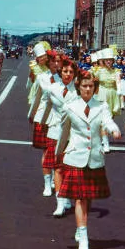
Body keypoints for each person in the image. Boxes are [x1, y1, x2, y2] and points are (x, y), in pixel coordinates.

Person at [55, 69, 121, 249]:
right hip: (75, 156)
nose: (87, 89)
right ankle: (83, 235)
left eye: (91, 86)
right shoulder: (69, 107)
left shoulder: (101, 106)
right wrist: (58, 152)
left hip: (94, 157)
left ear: (95, 88)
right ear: (78, 87)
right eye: (84, 86)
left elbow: (107, 122)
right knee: (80, 198)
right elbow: (63, 132)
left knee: (88, 197)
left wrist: (114, 130)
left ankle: (80, 226)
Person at [40, 57, 79, 217]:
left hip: (73, 134)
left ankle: (67, 196)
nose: (68, 74)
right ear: (60, 71)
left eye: (71, 72)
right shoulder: (52, 88)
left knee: (69, 168)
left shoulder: (78, 90)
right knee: (57, 167)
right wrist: (41, 122)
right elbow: (45, 104)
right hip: (55, 131)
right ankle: (60, 202)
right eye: (65, 71)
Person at [28, 49, 62, 197]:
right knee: (46, 151)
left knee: (58, 151)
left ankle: (56, 178)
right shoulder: (42, 77)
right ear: (48, 63)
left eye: (58, 61)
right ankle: (47, 182)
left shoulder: (66, 77)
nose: (56, 64)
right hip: (45, 116)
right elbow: (40, 96)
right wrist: (32, 113)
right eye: (53, 61)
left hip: (60, 117)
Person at [91, 48, 122, 153]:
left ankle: (104, 140)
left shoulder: (116, 71)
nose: (109, 61)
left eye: (110, 60)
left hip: (113, 94)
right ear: (103, 60)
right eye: (107, 60)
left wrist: (119, 89)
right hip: (102, 94)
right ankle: (105, 142)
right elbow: (90, 79)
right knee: (103, 121)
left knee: (110, 119)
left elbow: (118, 82)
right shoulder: (98, 71)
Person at [27, 41, 50, 106]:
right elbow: (30, 81)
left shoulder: (51, 66)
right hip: (36, 90)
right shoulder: (34, 66)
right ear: (37, 58)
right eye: (40, 57)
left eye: (44, 56)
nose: (42, 58)